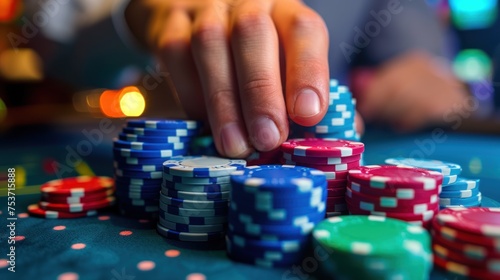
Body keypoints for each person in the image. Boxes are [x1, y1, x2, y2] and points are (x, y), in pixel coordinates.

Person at [18, 0, 471, 158]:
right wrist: (139, 12)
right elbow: (41, 37)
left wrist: (429, 65)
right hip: (165, 130)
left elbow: (405, 19)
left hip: (346, 139)